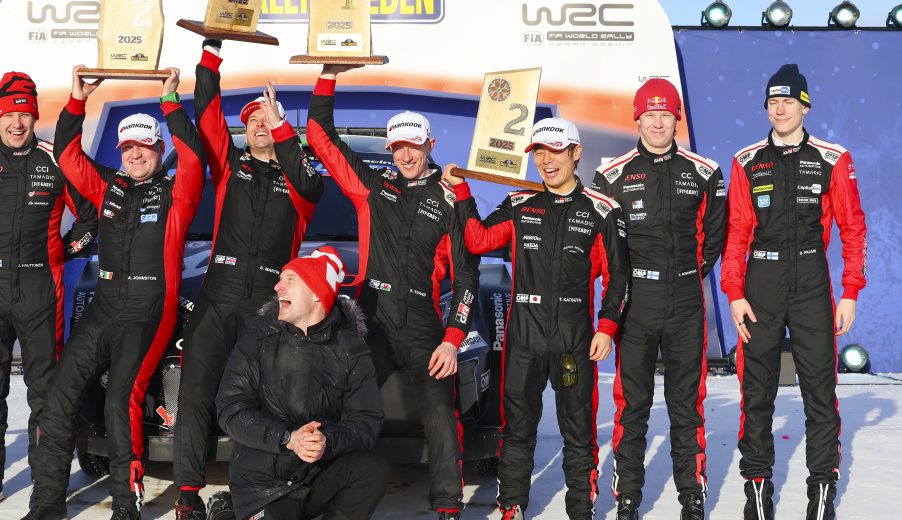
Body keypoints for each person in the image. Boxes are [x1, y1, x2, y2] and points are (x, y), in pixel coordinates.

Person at [23, 66, 205, 520]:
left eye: (144, 145)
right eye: (128, 147)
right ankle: (47, 502)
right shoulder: (109, 186)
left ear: (159, 148)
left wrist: (170, 100)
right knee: (59, 395)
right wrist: (76, 100)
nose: (136, 154)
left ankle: (126, 504)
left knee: (120, 399)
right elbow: (67, 155)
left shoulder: (178, 191)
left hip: (149, 310)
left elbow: (194, 156)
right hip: (104, 308)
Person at [306, 64, 480, 520]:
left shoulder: (452, 199)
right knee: (343, 400)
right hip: (372, 317)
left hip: (424, 323)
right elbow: (321, 137)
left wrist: (452, 339)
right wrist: (328, 75)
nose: (405, 155)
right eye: (397, 147)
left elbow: (467, 278)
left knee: (440, 412)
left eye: (413, 146)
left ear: (430, 145)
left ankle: (448, 507)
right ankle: (325, 490)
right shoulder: (373, 187)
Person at [444, 118, 630, 520]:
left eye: (556, 151)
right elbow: (477, 239)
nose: (547, 161)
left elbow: (619, 277)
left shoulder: (603, 210)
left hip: (573, 340)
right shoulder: (518, 203)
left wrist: (606, 327)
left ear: (576, 153)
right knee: (517, 430)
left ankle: (580, 510)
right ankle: (512, 507)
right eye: (540, 152)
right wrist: (461, 191)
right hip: (524, 338)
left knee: (578, 431)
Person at [173, 38, 324, 520]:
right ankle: (187, 495)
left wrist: (283, 129)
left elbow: (311, 184)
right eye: (252, 120)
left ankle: (252, 495)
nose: (259, 124)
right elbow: (207, 110)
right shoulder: (228, 164)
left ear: (280, 127)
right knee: (196, 391)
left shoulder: (300, 179)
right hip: (218, 295)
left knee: (262, 399)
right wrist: (211, 49)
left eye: (268, 118)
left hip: (268, 300)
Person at [721, 64, 866, 520]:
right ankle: (757, 496)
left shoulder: (832, 157)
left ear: (805, 106)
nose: (780, 110)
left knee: (820, 393)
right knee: (756, 393)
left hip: (811, 283)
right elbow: (736, 233)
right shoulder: (746, 160)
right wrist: (734, 292)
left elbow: (853, 228)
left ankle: (821, 497)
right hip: (760, 285)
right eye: (773, 102)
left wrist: (850, 291)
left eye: (788, 101)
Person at [0, 71, 98, 513]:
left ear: (35, 117)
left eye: (25, 115)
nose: (17, 123)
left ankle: (46, 481)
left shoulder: (58, 160)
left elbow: (90, 216)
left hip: (40, 288)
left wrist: (63, 251)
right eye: (9, 115)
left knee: (45, 390)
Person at [590, 78, 727, 520]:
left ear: (676, 119)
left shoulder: (705, 171)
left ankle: (692, 495)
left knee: (687, 404)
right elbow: (604, 248)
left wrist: (686, 274)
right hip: (636, 302)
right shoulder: (611, 176)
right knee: (632, 405)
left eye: (665, 115)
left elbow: (715, 236)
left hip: (685, 298)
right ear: (637, 119)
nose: (657, 123)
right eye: (649, 115)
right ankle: (628, 497)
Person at [215, 246, 390, 520]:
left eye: (290, 280)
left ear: (317, 294)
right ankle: (225, 512)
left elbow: (366, 421)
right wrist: (288, 438)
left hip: (316, 472)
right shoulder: (258, 338)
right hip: (264, 484)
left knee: (373, 471)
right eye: (280, 279)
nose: (277, 287)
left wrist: (326, 441)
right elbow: (230, 407)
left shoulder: (351, 350)